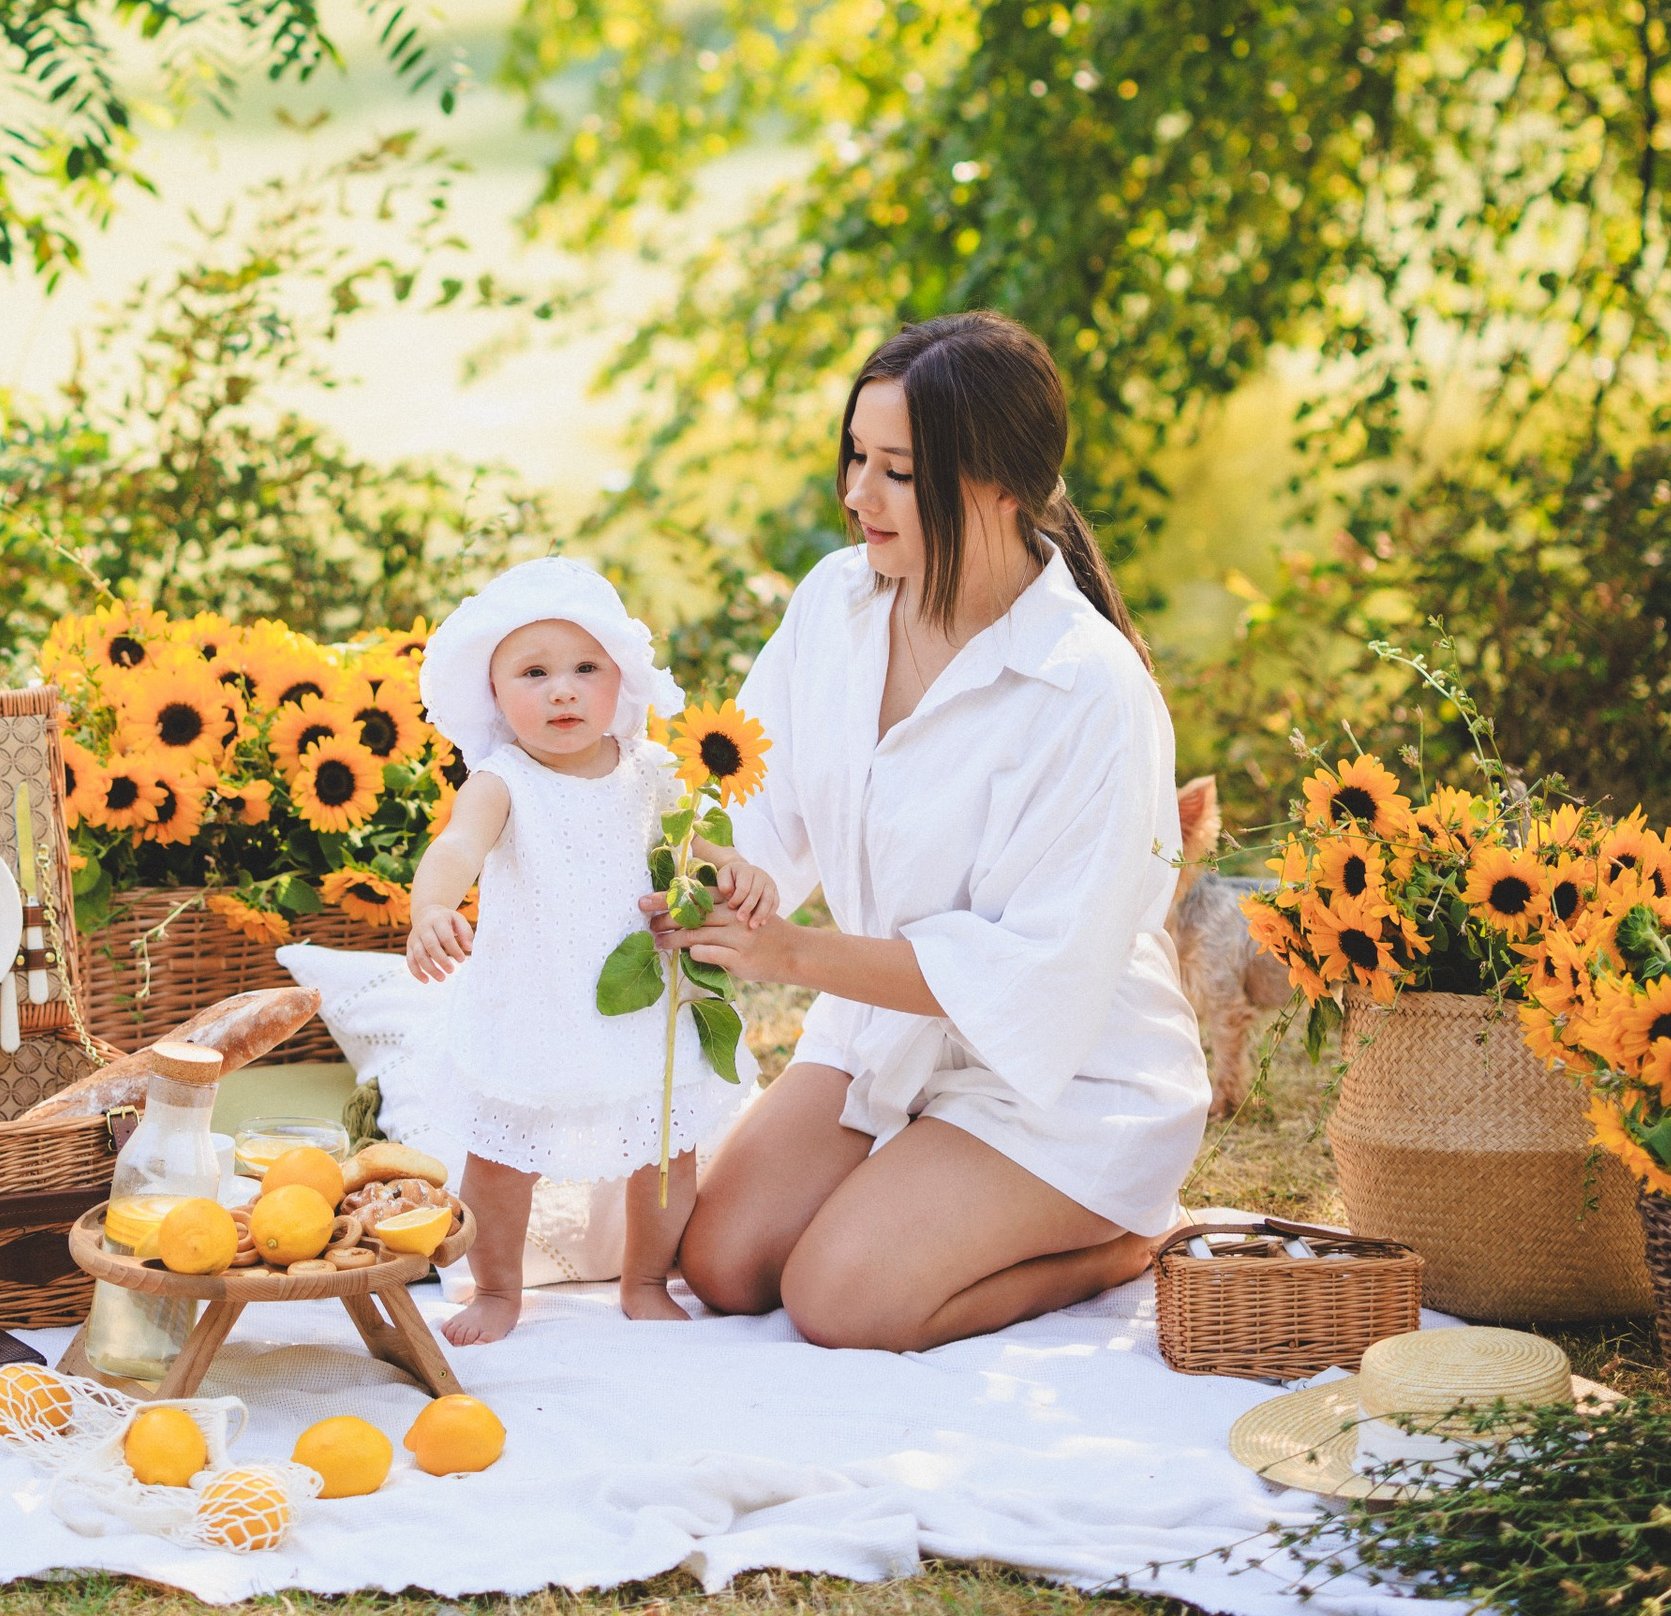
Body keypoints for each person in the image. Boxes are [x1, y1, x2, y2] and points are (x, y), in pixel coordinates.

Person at [673, 311, 1210, 1352]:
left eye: (896, 473)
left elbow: (1031, 978)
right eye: (854, 459)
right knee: (725, 1265)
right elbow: (757, 810)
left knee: (838, 1300)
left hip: (1063, 1078)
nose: (855, 497)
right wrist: (708, 870)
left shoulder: (1087, 691)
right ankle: (918, 1177)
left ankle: (1127, 1237)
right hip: (887, 1032)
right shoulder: (836, 603)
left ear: (998, 485)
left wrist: (791, 954)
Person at [409, 556, 761, 1343]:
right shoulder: (502, 780)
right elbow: (459, 845)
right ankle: (496, 1288)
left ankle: (644, 1278)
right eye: (533, 672)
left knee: (665, 1146)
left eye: (584, 668)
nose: (562, 689)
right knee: (503, 1156)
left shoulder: (653, 773)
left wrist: (737, 870)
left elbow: (703, 844)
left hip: (644, 1003)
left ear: (621, 682)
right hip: (532, 997)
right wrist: (432, 904)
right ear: (495, 695)